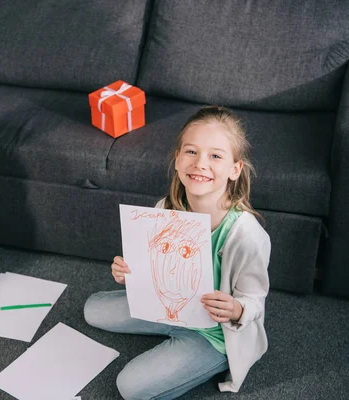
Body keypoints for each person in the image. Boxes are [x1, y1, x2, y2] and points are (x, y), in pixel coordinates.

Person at [84, 106, 271, 399]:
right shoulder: (165, 209)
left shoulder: (247, 235)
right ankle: (170, 332)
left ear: (235, 169)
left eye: (216, 156)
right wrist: (128, 273)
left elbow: (255, 299)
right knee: (92, 310)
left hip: (214, 333)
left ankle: (205, 357)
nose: (200, 164)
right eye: (191, 152)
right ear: (177, 159)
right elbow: (152, 269)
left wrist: (236, 309)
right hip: (167, 307)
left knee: (130, 387)